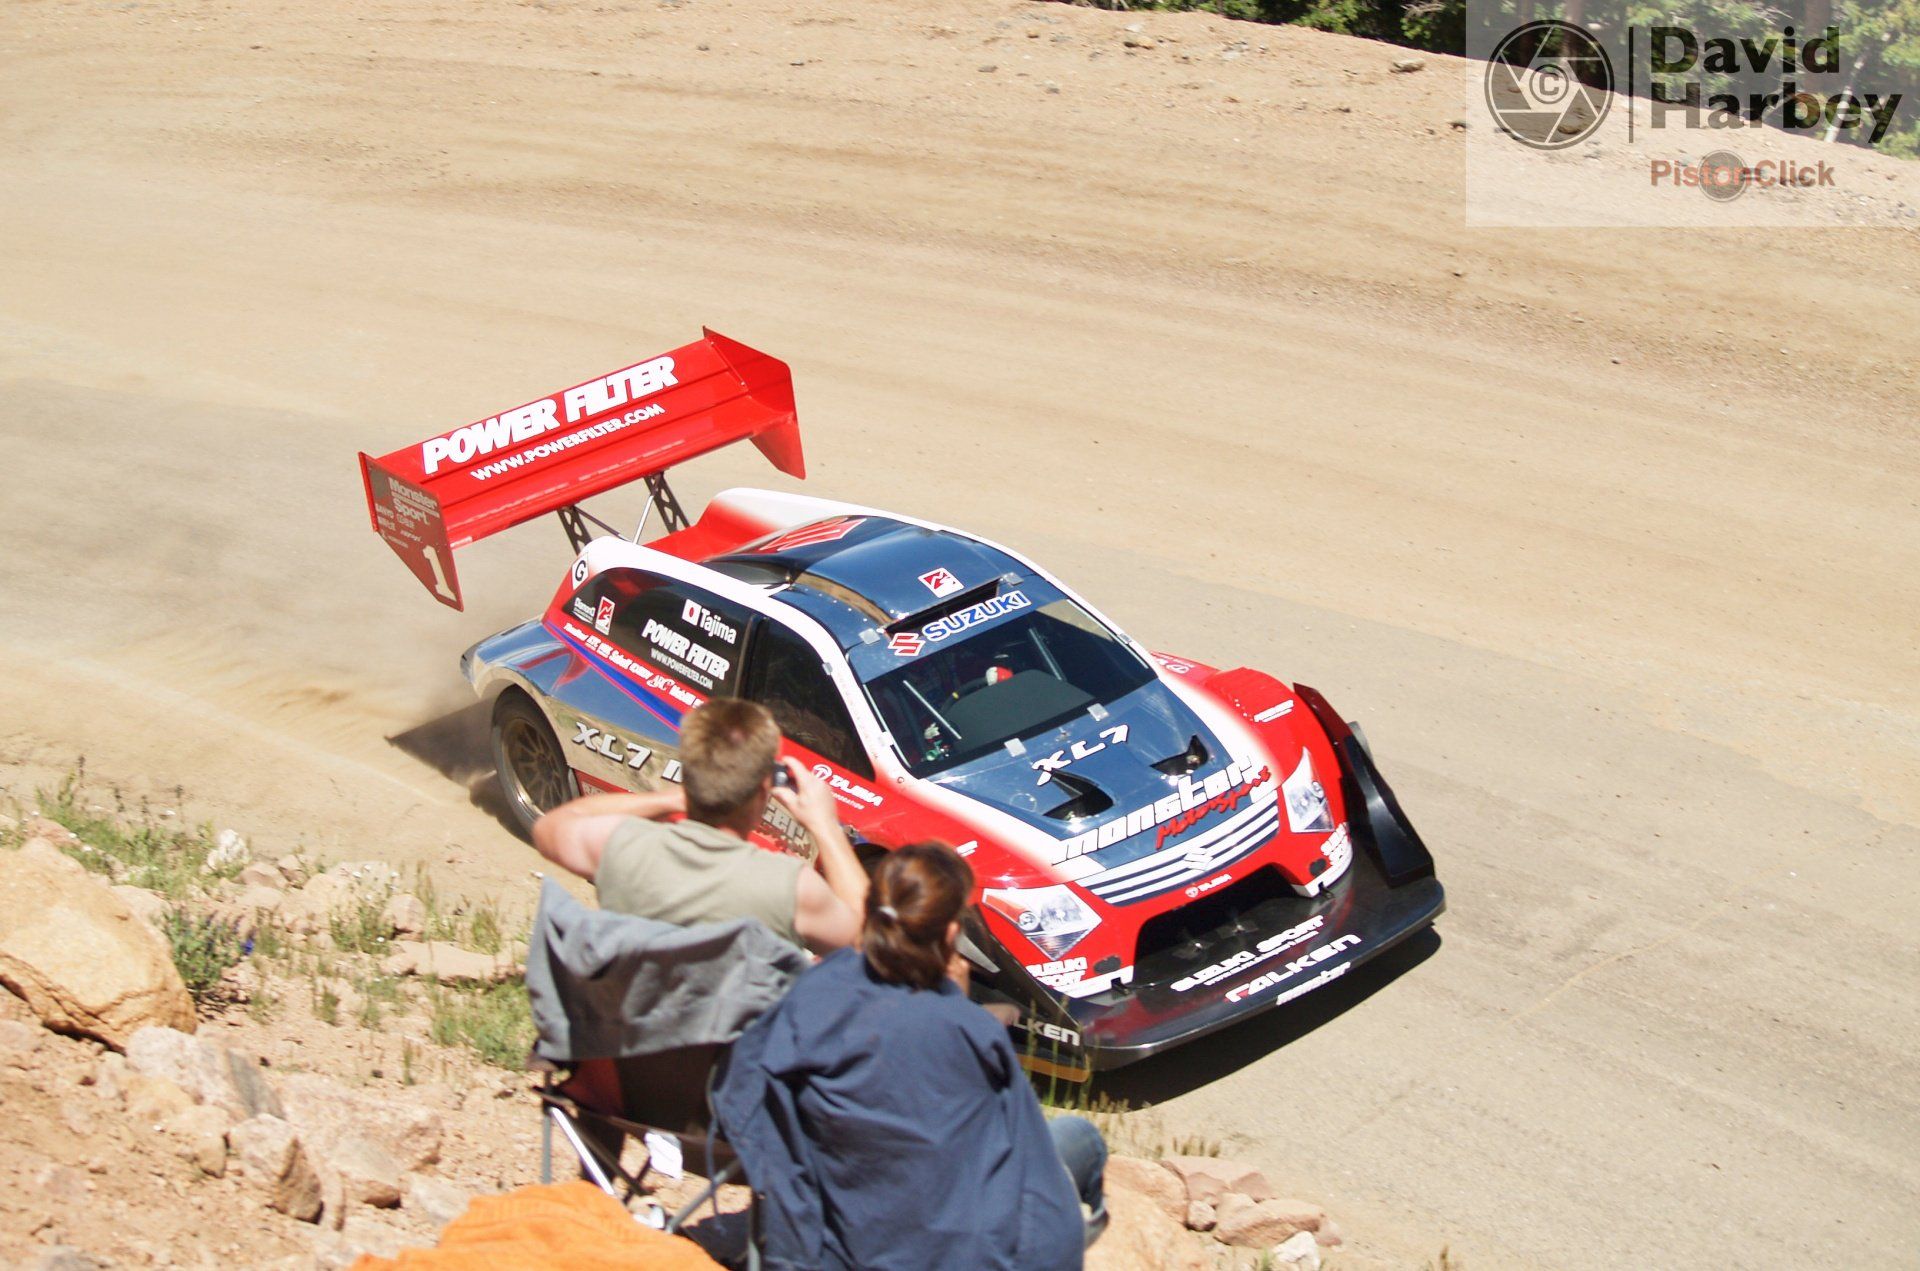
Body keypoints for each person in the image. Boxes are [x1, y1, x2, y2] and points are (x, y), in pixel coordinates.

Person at [714, 842, 1107, 1271]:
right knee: (1078, 1137)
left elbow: (740, 1099)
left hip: (836, 1244)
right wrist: (956, 1005)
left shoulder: (807, 1000)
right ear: (950, 936)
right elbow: (1020, 1161)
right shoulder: (969, 1033)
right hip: (954, 1250)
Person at [530, 698, 868, 955]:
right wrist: (826, 827)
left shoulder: (622, 847)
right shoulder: (790, 887)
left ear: (688, 775)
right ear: (765, 791)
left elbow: (552, 827)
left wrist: (671, 799)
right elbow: (867, 942)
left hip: (632, 1039)